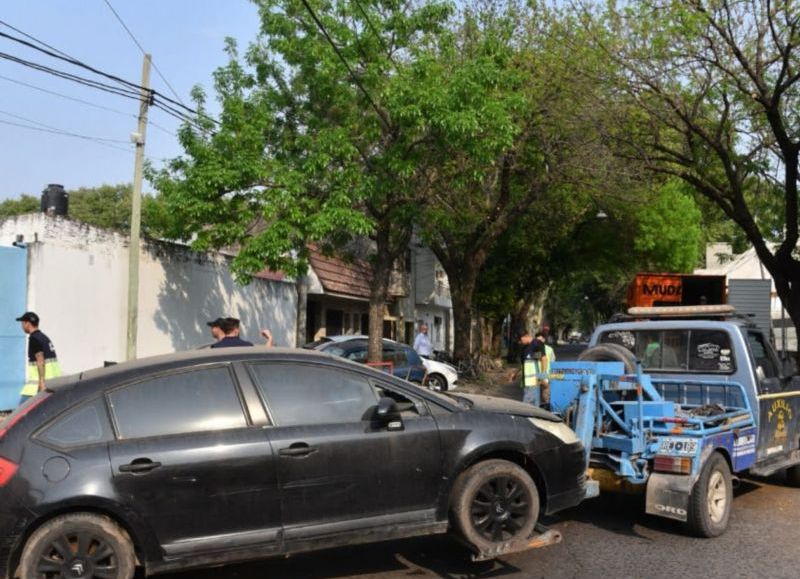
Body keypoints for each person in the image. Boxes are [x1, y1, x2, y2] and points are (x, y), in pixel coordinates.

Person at [16, 311, 60, 405]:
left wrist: (42, 383)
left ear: (27, 323)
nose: (22, 326)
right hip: (52, 383)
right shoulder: (44, 337)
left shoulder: (34, 339)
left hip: (37, 386)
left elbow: (40, 361)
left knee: (21, 412)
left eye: (22, 323)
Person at [510, 329, 550, 406]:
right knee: (533, 404)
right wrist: (515, 373)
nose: (520, 342)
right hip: (526, 382)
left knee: (527, 405)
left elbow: (543, 359)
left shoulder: (536, 344)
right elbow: (524, 363)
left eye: (520, 340)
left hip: (534, 381)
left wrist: (543, 376)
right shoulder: (525, 349)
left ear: (526, 336)